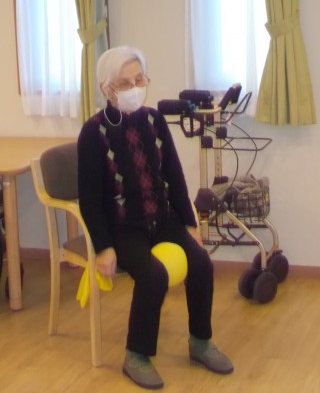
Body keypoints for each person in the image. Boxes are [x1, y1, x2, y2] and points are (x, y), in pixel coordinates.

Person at [78, 46, 233, 390]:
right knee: (154, 276)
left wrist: (189, 223)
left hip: (162, 219)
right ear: (106, 89)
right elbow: (89, 200)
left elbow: (174, 175)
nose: (135, 88)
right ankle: (136, 356)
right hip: (123, 228)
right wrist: (103, 248)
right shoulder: (93, 132)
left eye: (139, 79)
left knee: (201, 263)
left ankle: (200, 342)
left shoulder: (153, 120)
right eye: (125, 83)